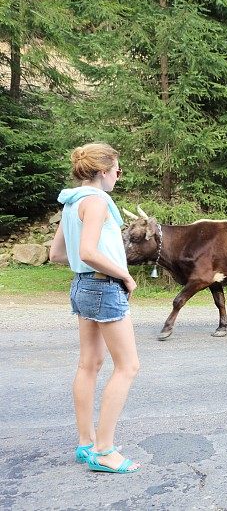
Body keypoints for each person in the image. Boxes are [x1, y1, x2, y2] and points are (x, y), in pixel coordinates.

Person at [49, 142, 141, 474]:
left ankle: (86, 443)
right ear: (103, 171)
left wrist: (89, 261)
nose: (119, 175)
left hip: (82, 285)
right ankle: (104, 451)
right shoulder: (98, 202)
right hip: (103, 284)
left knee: (89, 364)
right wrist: (125, 275)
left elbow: (57, 254)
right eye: (117, 169)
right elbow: (88, 250)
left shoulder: (72, 202)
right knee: (128, 366)